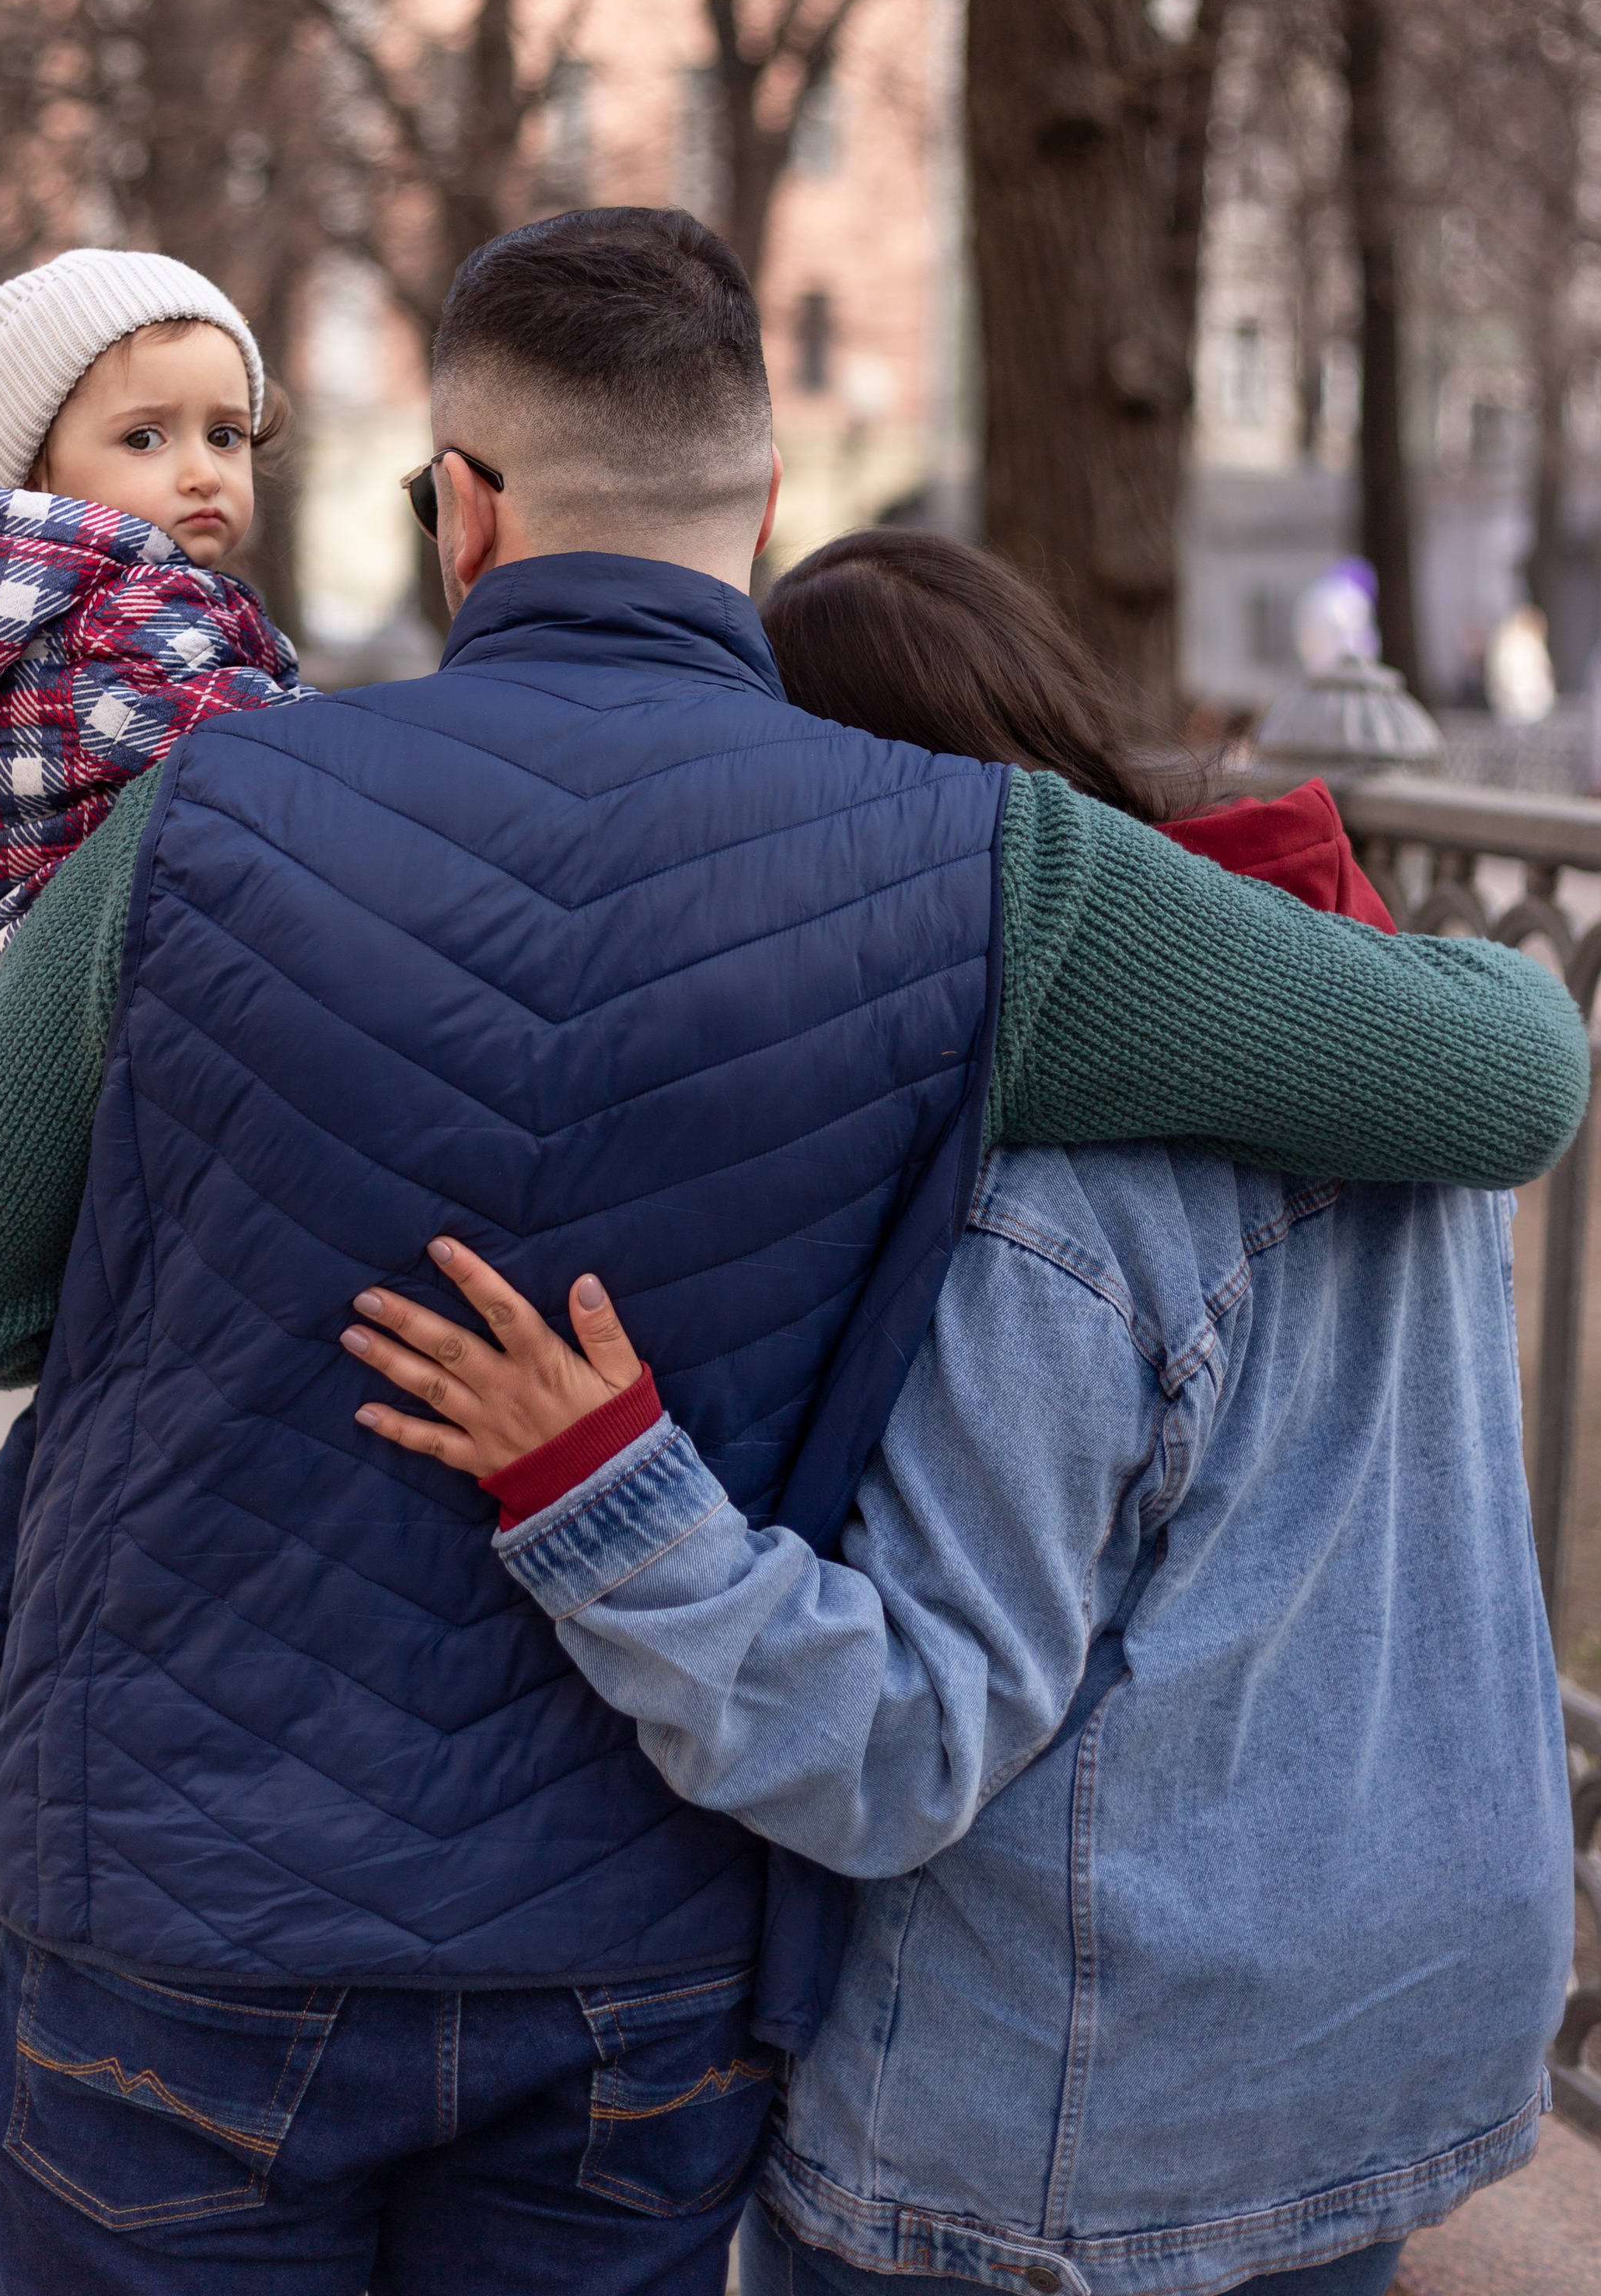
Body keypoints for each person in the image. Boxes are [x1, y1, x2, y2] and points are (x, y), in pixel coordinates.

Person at [0, 209, 1585, 2296]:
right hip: (628, 1962)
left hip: (181, 1916)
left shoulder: (207, 812)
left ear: (462, 508)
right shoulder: (988, 874)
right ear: (756, 506)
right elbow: (1507, 1082)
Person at [344, 527, 1573, 2296]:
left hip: (1069, 2123)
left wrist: (599, 1493)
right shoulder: (1372, 1058)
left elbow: (899, 1746)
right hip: (1384, 2043)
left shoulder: (1046, 1213)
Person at [0, 247, 306, 1893]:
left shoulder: (83, 598)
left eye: (226, 433)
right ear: (41, 473)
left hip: (63, 992)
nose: (200, 473)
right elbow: (264, 778)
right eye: (143, 438)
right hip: (105, 1009)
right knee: (122, 1367)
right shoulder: (133, 609)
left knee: (117, 1358)